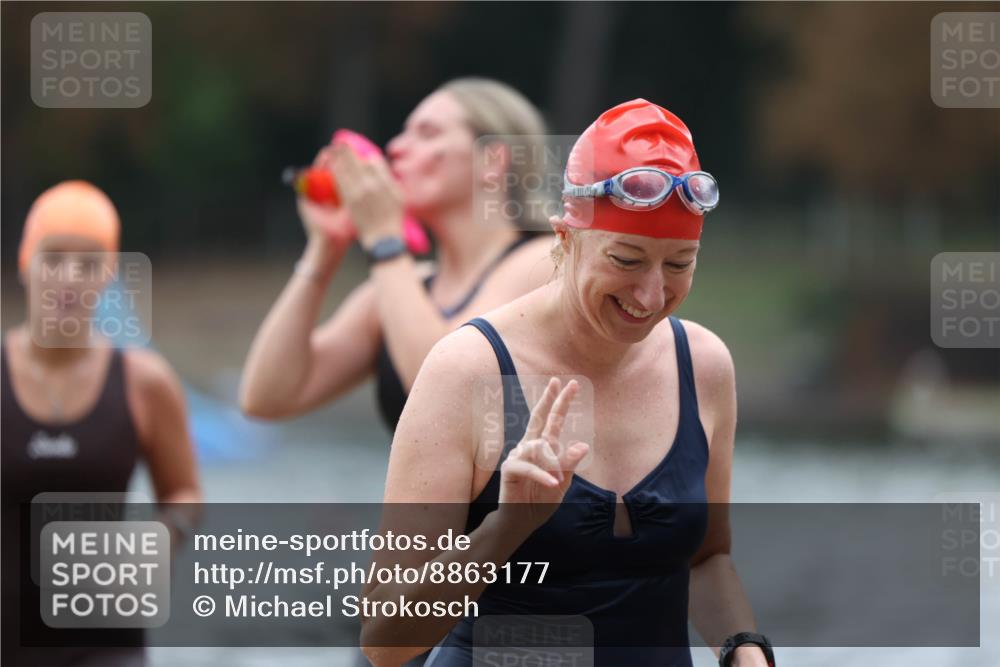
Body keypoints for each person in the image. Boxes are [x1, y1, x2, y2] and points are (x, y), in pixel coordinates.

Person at [360, 100, 775, 667]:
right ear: (566, 235)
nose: (651, 295)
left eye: (679, 264)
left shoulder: (702, 366)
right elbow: (384, 642)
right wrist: (507, 528)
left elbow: (705, 559)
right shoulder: (474, 370)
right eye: (627, 259)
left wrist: (742, 648)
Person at [239, 78, 555, 431]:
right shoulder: (397, 290)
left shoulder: (545, 262)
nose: (394, 148)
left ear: (493, 161)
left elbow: (448, 396)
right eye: (403, 133)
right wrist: (324, 249)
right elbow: (266, 397)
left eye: (427, 132)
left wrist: (384, 239)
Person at [1, 180, 202, 667]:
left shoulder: (144, 382)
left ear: (108, 275)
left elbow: (184, 494)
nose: (69, 278)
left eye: (89, 263)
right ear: (27, 264)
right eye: (54, 258)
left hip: (105, 643)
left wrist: (161, 535)